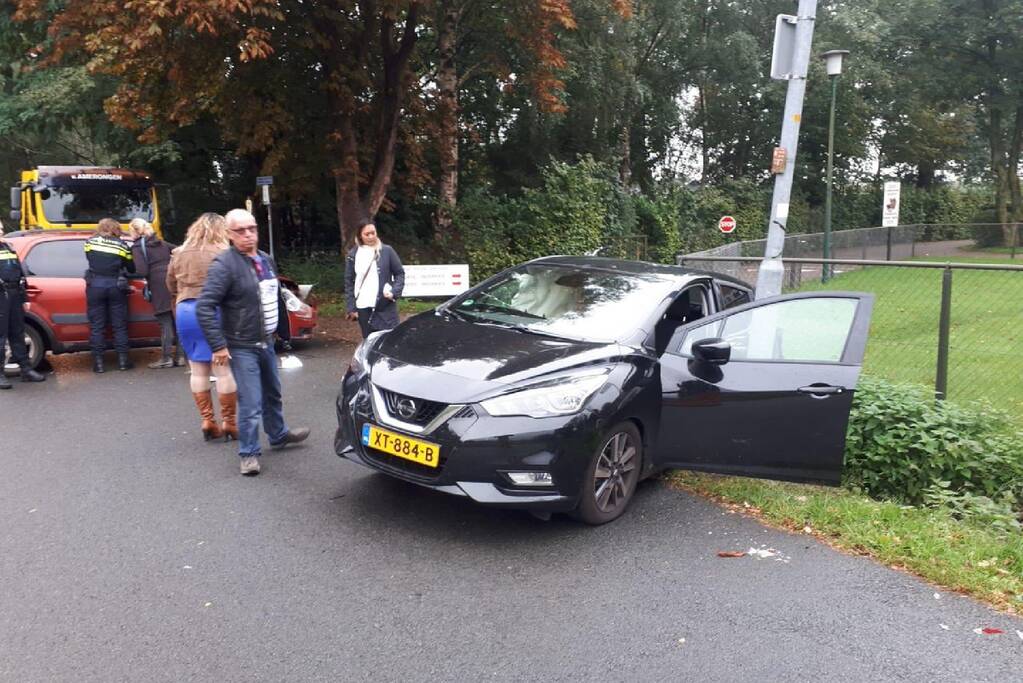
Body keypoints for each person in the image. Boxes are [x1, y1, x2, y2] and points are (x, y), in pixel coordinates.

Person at [195, 209, 309, 476]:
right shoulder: (224, 265)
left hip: (266, 341)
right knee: (251, 401)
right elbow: (205, 307)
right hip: (241, 344)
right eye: (240, 231)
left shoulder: (266, 259)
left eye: (252, 229)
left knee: (273, 392)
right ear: (229, 234)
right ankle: (248, 453)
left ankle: (278, 434)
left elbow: (273, 295)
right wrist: (219, 346)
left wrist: (283, 332)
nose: (248, 235)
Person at [166, 213, 238, 442]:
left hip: (186, 311)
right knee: (223, 370)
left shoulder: (178, 253)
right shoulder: (224, 253)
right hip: (215, 311)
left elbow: (170, 284)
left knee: (198, 370)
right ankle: (230, 422)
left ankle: (208, 420)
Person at [129, 218, 182, 369]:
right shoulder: (162, 243)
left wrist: (127, 272)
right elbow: (180, 249)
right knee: (176, 320)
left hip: (158, 286)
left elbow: (142, 271)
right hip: (174, 282)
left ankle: (166, 358)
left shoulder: (138, 247)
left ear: (135, 231)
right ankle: (181, 356)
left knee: (164, 322)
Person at [84, 218, 135, 373]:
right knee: (119, 326)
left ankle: (98, 364)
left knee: (97, 327)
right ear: (116, 228)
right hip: (115, 287)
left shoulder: (90, 242)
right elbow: (131, 268)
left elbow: (89, 258)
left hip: (95, 286)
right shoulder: (122, 245)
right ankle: (123, 362)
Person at [0, 222, 45, 389]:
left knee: (17, 332)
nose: (1, 231)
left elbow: (19, 272)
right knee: (1, 336)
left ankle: (26, 369)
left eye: (2, 228)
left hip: (13, 294)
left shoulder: (7, 246)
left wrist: (24, 297)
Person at [344, 222, 405, 338]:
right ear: (360, 236)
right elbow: (349, 282)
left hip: (385, 306)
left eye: (373, 233)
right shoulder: (353, 255)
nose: (371, 236)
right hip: (363, 308)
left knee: (389, 341)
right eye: (367, 234)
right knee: (369, 343)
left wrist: (394, 292)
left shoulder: (387, 251)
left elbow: (399, 273)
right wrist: (351, 307)